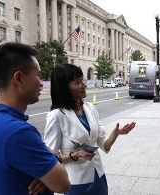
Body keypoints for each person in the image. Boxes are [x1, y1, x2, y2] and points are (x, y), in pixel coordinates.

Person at [44, 63, 136, 195]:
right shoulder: (56, 116)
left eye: (83, 80)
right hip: (76, 183)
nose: (85, 85)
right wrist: (75, 155)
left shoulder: (90, 108)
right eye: (78, 82)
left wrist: (115, 133)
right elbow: (49, 158)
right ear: (65, 88)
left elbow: (103, 144)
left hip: (98, 176)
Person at [0, 42, 70, 195]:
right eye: (38, 75)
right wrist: (52, 159)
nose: (41, 83)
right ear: (19, 79)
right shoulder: (18, 132)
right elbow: (63, 184)